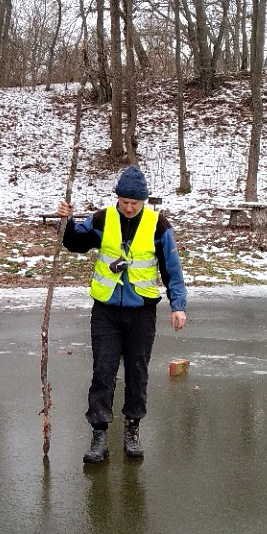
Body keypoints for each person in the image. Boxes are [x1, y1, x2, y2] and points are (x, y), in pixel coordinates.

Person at [56, 165, 187, 464]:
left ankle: (132, 429)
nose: (128, 208)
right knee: (103, 370)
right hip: (106, 310)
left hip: (142, 311)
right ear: (117, 198)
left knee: (137, 371)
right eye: (124, 202)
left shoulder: (159, 226)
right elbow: (75, 243)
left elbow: (172, 270)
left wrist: (178, 305)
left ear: (144, 201)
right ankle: (99, 433)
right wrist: (66, 220)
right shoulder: (103, 218)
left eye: (134, 203)